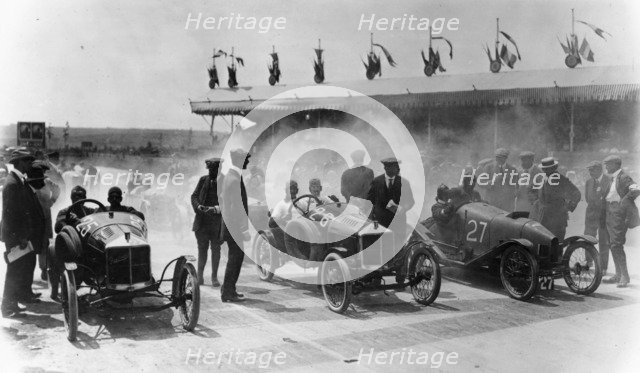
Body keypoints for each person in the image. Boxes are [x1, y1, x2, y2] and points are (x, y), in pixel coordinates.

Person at [1, 150, 38, 317]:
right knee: (14, 271)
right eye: (28, 161)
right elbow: (11, 214)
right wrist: (20, 236)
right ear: (20, 163)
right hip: (15, 235)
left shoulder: (17, 181)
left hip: (18, 234)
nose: (30, 165)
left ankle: (12, 303)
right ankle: (7, 306)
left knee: (17, 270)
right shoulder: (12, 183)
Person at [601, 155, 640, 288]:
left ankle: (624, 276)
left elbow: (636, 189)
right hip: (609, 212)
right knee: (612, 244)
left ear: (616, 164)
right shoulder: (611, 178)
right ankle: (618, 274)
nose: (605, 167)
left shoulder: (623, 177)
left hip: (619, 213)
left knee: (616, 244)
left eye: (608, 164)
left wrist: (625, 200)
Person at [220, 148, 251, 303]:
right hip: (234, 227)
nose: (248, 161)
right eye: (246, 158)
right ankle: (228, 292)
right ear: (240, 160)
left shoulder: (230, 177)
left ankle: (229, 289)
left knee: (235, 258)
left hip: (230, 226)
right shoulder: (234, 179)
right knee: (236, 258)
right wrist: (243, 228)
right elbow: (236, 207)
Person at [529, 157, 581, 241]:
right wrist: (536, 203)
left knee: (557, 244)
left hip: (557, 220)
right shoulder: (542, 178)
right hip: (543, 219)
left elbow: (576, 193)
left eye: (548, 169)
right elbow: (533, 191)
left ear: (553, 168)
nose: (545, 171)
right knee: (544, 244)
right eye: (544, 169)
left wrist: (567, 207)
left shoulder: (562, 179)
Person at [191, 157, 224, 287]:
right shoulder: (203, 180)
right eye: (211, 169)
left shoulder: (225, 182)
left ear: (219, 169)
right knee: (202, 250)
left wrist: (215, 209)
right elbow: (193, 196)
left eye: (215, 169)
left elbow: (229, 202)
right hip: (202, 222)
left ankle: (214, 277)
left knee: (216, 250)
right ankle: (200, 276)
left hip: (217, 222)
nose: (212, 172)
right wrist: (198, 206)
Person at [367, 157, 415, 245]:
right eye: (394, 167)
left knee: (397, 247)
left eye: (397, 166)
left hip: (398, 223)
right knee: (381, 248)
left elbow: (410, 201)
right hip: (381, 223)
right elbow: (370, 201)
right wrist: (372, 218)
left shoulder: (404, 182)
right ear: (386, 168)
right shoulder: (376, 181)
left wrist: (403, 208)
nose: (397, 169)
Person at [27, 160, 60, 282]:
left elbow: (57, 190)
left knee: (45, 244)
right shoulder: (28, 182)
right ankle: (28, 273)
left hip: (45, 217)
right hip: (32, 217)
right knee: (31, 243)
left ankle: (43, 269)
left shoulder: (47, 182)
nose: (43, 173)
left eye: (43, 171)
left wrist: (52, 201)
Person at [584, 161, 611, 276]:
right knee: (587, 239)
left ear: (600, 170)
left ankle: (603, 267)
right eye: (589, 170)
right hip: (591, 216)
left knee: (604, 242)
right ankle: (588, 262)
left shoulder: (608, 180)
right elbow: (587, 198)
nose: (590, 172)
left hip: (604, 216)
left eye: (592, 170)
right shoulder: (588, 182)